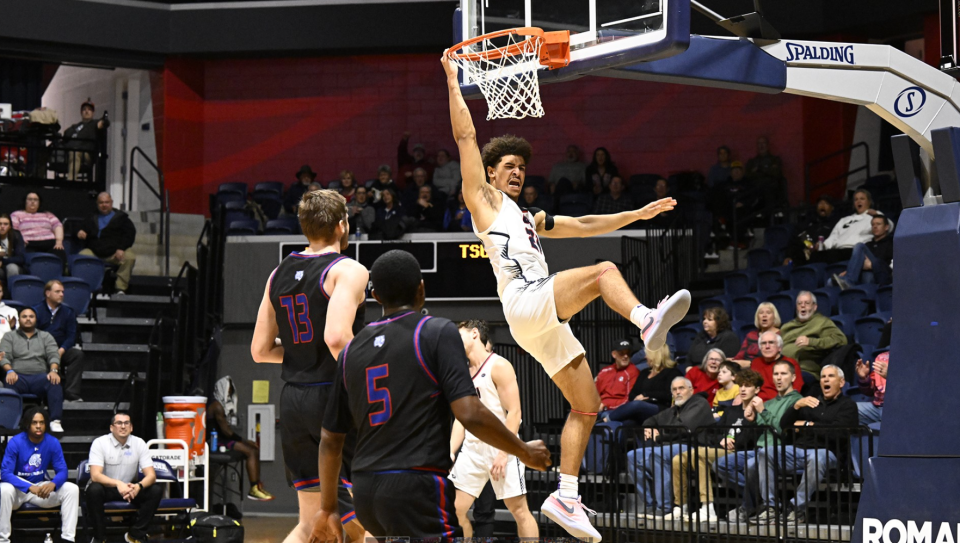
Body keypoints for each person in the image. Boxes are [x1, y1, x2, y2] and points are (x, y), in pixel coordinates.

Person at [443, 52, 690, 541]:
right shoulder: (484, 200)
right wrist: (454, 81)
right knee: (603, 272)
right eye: (508, 166)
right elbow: (466, 137)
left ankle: (567, 495)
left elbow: (582, 225)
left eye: (521, 167)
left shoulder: (529, 216)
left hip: (540, 321)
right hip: (525, 299)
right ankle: (644, 318)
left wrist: (635, 215)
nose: (516, 172)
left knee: (587, 404)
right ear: (490, 173)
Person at [308, 250, 550, 541]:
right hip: (416, 485)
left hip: (365, 489)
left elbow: (331, 439)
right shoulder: (435, 331)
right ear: (421, 289)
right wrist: (523, 451)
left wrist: (328, 507)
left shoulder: (352, 350)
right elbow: (469, 413)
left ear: (374, 296)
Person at [250, 190, 369, 543]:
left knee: (310, 524)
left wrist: (303, 354)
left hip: (293, 401)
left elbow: (259, 350)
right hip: (333, 399)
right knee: (363, 519)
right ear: (342, 225)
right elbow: (336, 338)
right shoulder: (348, 269)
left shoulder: (278, 273)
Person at [450, 320, 538, 539]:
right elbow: (462, 418)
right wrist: (451, 450)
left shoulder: (498, 365)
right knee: (453, 510)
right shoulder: (462, 372)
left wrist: (503, 452)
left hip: (502, 446)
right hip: (472, 449)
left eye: (458, 334)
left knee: (519, 510)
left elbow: (515, 413)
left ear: (474, 333)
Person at [755, 365, 858, 523]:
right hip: (799, 450)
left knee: (817, 457)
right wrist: (796, 406)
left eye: (830, 376)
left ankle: (797, 508)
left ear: (842, 382)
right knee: (766, 452)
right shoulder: (811, 402)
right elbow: (785, 425)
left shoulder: (847, 406)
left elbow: (839, 432)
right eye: (823, 377)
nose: (826, 380)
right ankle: (770, 507)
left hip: (828, 453)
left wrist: (809, 426)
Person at [667, 369, 764, 521]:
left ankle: (707, 507)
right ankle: (681, 505)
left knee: (698, 455)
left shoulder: (759, 412)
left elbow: (753, 438)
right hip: (719, 449)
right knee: (678, 459)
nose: (743, 389)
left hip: (738, 451)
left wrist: (734, 442)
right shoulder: (732, 410)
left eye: (748, 386)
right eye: (741, 386)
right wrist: (721, 440)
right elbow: (714, 432)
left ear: (757, 389)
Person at [715, 360, 802, 521]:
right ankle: (758, 500)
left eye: (783, 374)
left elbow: (781, 430)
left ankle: (753, 506)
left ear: (793, 377)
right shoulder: (769, 402)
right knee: (721, 464)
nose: (779, 378)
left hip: (776, 451)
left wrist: (762, 411)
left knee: (750, 465)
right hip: (757, 450)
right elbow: (758, 430)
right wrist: (752, 419)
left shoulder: (796, 401)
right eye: (776, 374)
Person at [624, 377, 715, 518]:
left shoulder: (699, 403)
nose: (678, 392)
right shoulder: (674, 409)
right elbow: (652, 419)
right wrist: (649, 427)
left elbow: (685, 428)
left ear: (690, 390)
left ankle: (664, 507)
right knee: (633, 455)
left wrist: (660, 436)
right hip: (671, 446)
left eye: (681, 388)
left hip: (693, 446)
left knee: (658, 454)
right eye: (674, 389)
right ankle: (650, 504)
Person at [0, 407, 78, 543]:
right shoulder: (16, 442)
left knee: (72, 489)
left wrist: (53, 484)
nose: (38, 426)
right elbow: (5, 474)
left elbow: (63, 471)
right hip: (17, 491)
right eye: (34, 422)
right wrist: (29, 487)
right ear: (27, 424)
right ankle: (3, 540)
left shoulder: (52, 442)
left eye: (41, 422)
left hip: (39, 490)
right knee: (4, 489)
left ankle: (68, 539)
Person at [85, 411, 162, 543]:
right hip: (107, 488)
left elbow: (151, 476)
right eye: (119, 423)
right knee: (93, 489)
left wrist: (139, 486)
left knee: (155, 490)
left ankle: (135, 535)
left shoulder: (139, 443)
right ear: (111, 427)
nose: (123, 426)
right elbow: (95, 475)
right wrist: (117, 483)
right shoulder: (100, 443)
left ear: (131, 427)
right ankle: (100, 538)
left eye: (126, 423)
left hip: (130, 489)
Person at [206, 376, 274, 501]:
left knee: (254, 449)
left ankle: (257, 486)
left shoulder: (221, 405)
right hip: (215, 441)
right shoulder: (217, 406)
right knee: (251, 451)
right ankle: (254, 488)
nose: (230, 393)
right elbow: (226, 432)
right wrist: (245, 441)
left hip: (222, 440)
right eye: (228, 390)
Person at [0, 308, 64, 432]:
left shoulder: (46, 336)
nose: (28, 319)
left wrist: (54, 371)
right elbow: (4, 356)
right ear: (19, 320)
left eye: (31, 316)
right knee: (9, 383)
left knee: (54, 382)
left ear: (36, 319)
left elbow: (53, 355)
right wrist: (10, 371)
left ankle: (55, 421)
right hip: (17, 376)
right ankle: (11, 422)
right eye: (24, 316)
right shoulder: (9, 336)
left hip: (40, 377)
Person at [604, 345, 682, 423]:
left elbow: (669, 394)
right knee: (628, 422)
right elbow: (632, 394)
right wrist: (637, 397)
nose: (645, 357)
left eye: (648, 354)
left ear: (656, 356)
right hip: (641, 409)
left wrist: (646, 395)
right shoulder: (644, 373)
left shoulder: (672, 373)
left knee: (637, 405)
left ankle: (605, 419)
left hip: (661, 408)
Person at [77, 192, 137, 294]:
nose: (104, 205)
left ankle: (120, 288)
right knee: (80, 258)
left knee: (130, 257)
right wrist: (79, 231)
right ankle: (84, 288)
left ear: (111, 203)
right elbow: (80, 228)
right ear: (97, 204)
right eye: (101, 203)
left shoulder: (121, 218)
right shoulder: (91, 217)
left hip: (114, 252)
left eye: (107, 202)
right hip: (94, 252)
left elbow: (130, 234)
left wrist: (121, 248)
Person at [34, 280, 84, 402]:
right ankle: (44, 393)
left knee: (77, 355)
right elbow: (33, 334)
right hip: (42, 349)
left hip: (61, 349)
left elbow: (71, 336)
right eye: (57, 292)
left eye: (62, 292)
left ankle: (71, 393)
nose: (61, 294)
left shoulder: (68, 312)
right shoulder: (36, 311)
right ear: (48, 293)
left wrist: (61, 350)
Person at [780, 291, 848, 374]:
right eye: (799, 303)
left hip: (805, 370)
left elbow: (840, 339)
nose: (802, 306)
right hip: (780, 369)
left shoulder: (822, 322)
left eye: (807, 303)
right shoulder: (786, 326)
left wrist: (811, 341)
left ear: (814, 307)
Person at [814, 189, 883, 263]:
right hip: (838, 251)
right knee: (815, 256)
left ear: (869, 202)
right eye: (856, 199)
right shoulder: (844, 220)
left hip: (856, 251)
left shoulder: (875, 217)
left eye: (862, 199)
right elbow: (833, 237)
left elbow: (888, 226)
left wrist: (877, 214)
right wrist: (823, 245)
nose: (859, 201)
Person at [833, 214, 893, 288]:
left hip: (879, 274)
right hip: (865, 273)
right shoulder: (868, 245)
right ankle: (848, 282)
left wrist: (872, 265)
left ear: (886, 227)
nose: (875, 226)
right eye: (873, 224)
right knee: (831, 281)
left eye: (878, 224)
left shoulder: (891, 243)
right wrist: (848, 271)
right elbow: (858, 261)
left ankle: (849, 281)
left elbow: (889, 266)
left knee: (859, 246)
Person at [11, 192, 66, 266]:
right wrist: (21, 240)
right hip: (29, 244)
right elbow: (14, 229)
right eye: (30, 199)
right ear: (25, 201)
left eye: (35, 200)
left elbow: (58, 225)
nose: (33, 202)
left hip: (49, 243)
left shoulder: (48, 214)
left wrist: (59, 241)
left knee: (59, 253)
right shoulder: (16, 214)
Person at [784, 195, 840, 265]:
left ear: (832, 208)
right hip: (805, 255)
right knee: (789, 261)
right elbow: (795, 240)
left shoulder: (835, 223)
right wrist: (788, 256)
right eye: (820, 203)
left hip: (823, 255)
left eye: (826, 204)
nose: (822, 206)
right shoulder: (809, 223)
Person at [61, 99, 108, 181]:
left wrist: (104, 121)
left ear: (93, 113)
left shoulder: (94, 124)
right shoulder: (75, 126)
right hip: (69, 151)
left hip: (86, 154)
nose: (86, 111)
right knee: (46, 151)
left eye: (89, 110)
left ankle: (70, 182)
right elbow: (65, 135)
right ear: (81, 112)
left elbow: (104, 124)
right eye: (84, 109)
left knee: (75, 153)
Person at [750, 331, 803, 401]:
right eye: (763, 343)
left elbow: (796, 389)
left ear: (779, 348)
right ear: (760, 348)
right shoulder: (755, 363)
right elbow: (750, 385)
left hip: (781, 403)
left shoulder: (790, 363)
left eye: (771, 342)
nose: (767, 346)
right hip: (757, 403)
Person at [596, 338, 641, 417]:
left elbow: (628, 400)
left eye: (628, 353)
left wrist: (606, 407)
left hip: (616, 410)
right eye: (621, 353)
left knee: (604, 416)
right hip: (599, 408)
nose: (626, 356)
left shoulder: (633, 371)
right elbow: (594, 394)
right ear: (614, 354)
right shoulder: (604, 371)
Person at [731, 302, 781, 368]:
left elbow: (777, 359)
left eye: (768, 313)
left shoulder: (780, 335)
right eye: (761, 313)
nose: (764, 315)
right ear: (757, 317)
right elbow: (739, 356)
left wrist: (750, 363)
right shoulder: (751, 335)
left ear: (774, 317)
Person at [744, 136, 785, 211]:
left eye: (763, 143)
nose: (761, 146)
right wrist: (767, 170)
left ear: (768, 145)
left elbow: (776, 173)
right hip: (756, 190)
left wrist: (759, 169)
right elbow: (748, 175)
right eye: (759, 143)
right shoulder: (752, 161)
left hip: (771, 191)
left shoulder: (775, 159)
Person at [855, 351, 888, 424]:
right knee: (846, 409)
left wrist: (891, 376)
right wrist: (864, 378)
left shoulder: (913, 359)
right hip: (876, 407)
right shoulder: (882, 357)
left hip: (898, 408)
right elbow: (871, 391)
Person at [0, 215, 25, 283]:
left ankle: (13, 292)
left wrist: (4, 261)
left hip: (14, 266)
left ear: (10, 226)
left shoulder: (16, 236)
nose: (2, 226)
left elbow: (21, 258)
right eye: (0, 224)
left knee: (12, 267)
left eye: (5, 224)